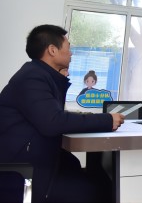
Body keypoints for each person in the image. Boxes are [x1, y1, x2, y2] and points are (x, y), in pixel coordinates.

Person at [0, 25, 125, 203]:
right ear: (52, 50)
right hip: (23, 173)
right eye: (68, 47)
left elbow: (52, 116)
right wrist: (107, 120)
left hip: (36, 161)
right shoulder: (32, 77)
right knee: (97, 190)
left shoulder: (40, 75)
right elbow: (53, 122)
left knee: (92, 177)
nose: (71, 53)